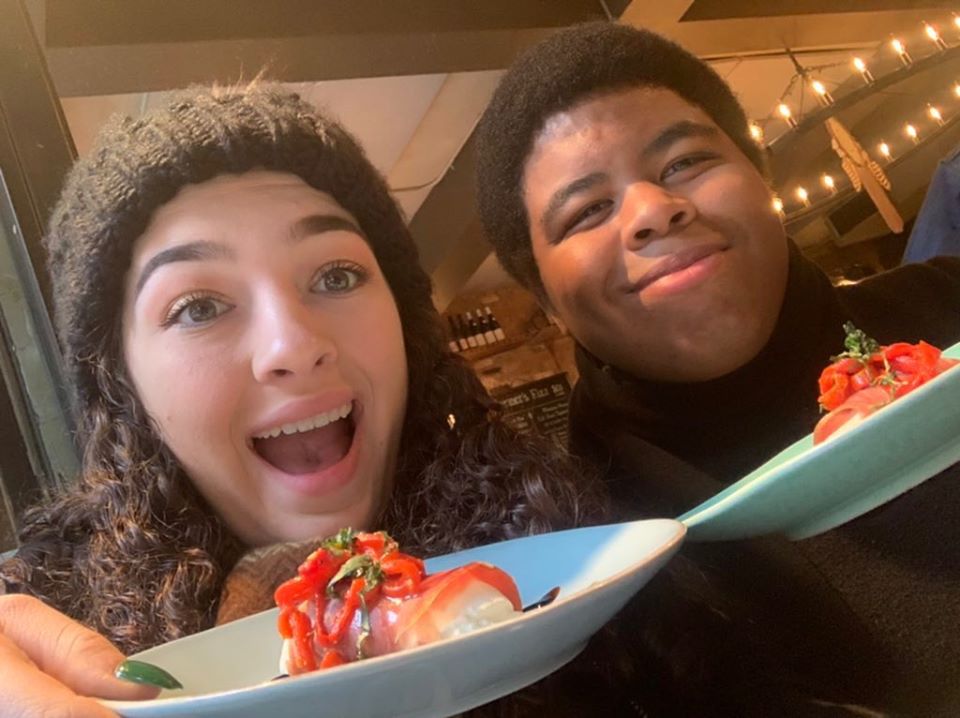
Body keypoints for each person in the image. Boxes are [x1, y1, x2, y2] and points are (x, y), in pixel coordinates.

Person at [0, 83, 891, 718]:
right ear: (122, 386)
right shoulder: (56, 631)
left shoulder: (563, 557)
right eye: (198, 306)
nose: (293, 343)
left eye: (338, 274)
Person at [475, 21, 960, 715]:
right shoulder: (587, 580)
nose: (651, 211)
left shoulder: (946, 306)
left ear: (761, 176)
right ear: (547, 302)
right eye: (587, 210)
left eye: (682, 164)